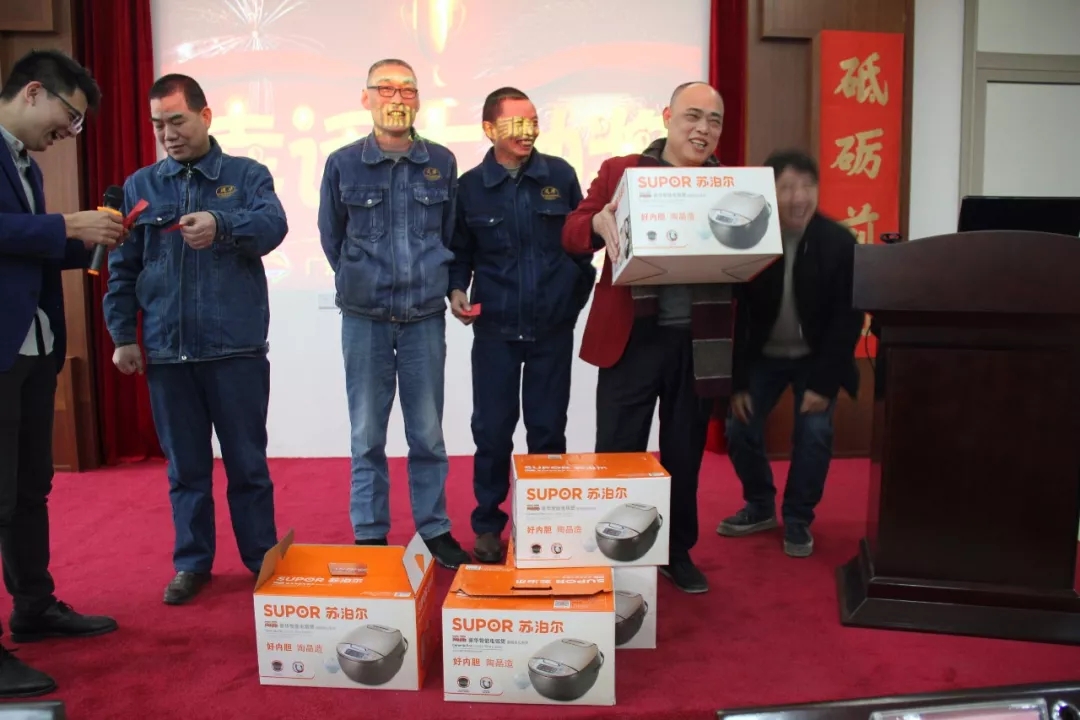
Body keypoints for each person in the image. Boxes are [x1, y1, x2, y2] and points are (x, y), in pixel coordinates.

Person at [103, 74, 288, 605]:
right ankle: (192, 563)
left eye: (177, 121)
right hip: (167, 351)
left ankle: (261, 559)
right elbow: (123, 268)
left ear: (205, 116)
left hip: (236, 351)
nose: (168, 134)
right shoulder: (141, 186)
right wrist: (123, 335)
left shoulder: (247, 175)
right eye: (158, 124)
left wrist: (220, 223)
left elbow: (273, 226)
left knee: (248, 465)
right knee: (185, 470)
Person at [562, 82, 730, 594]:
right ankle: (614, 549)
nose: (703, 129)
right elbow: (571, 231)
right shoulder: (622, 171)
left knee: (684, 454)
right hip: (631, 337)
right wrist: (598, 222)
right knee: (619, 451)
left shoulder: (728, 186)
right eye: (693, 116)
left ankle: (676, 551)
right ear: (667, 117)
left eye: (714, 121)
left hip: (698, 343)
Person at [0, 49, 120, 698]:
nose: (69, 133)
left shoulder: (23, 162)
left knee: (29, 487)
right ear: (33, 92)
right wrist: (64, 225)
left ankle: (34, 606)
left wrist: (84, 242)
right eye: (69, 117)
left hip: (32, 348)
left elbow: (23, 248)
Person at [318, 58, 470, 569]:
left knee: (428, 433)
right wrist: (363, 280)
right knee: (367, 434)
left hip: (424, 317)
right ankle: (369, 533)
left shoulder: (441, 162)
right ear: (366, 98)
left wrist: (446, 285)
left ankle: (435, 529)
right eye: (385, 88)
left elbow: (449, 234)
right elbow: (332, 239)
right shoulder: (343, 163)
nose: (397, 98)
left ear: (419, 100)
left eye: (407, 89)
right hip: (364, 319)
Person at [449, 87, 595, 563]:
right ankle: (488, 525)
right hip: (495, 331)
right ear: (489, 129)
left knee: (548, 430)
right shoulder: (470, 187)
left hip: (551, 330)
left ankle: (544, 524)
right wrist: (456, 291)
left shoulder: (560, 175)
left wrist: (570, 301)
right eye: (516, 123)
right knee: (492, 432)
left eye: (533, 121)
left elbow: (581, 245)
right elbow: (460, 254)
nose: (527, 131)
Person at [716, 150, 863, 558]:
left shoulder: (839, 243)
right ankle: (760, 505)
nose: (799, 197)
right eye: (786, 188)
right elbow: (737, 317)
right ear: (769, 193)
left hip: (816, 359)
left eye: (807, 186)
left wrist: (824, 383)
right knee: (739, 428)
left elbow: (847, 319)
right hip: (762, 357)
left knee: (814, 433)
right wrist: (737, 382)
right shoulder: (750, 239)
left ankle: (798, 518)